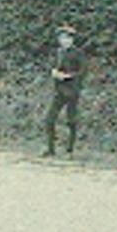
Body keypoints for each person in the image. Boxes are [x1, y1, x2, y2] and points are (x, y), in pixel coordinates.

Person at [43, 23, 83, 156]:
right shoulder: (58, 52)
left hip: (72, 91)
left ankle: (70, 149)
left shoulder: (78, 53)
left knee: (71, 120)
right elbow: (54, 66)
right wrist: (54, 72)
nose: (64, 41)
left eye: (67, 38)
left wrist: (67, 76)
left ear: (72, 40)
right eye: (62, 38)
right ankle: (50, 149)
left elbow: (82, 72)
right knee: (49, 119)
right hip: (59, 91)